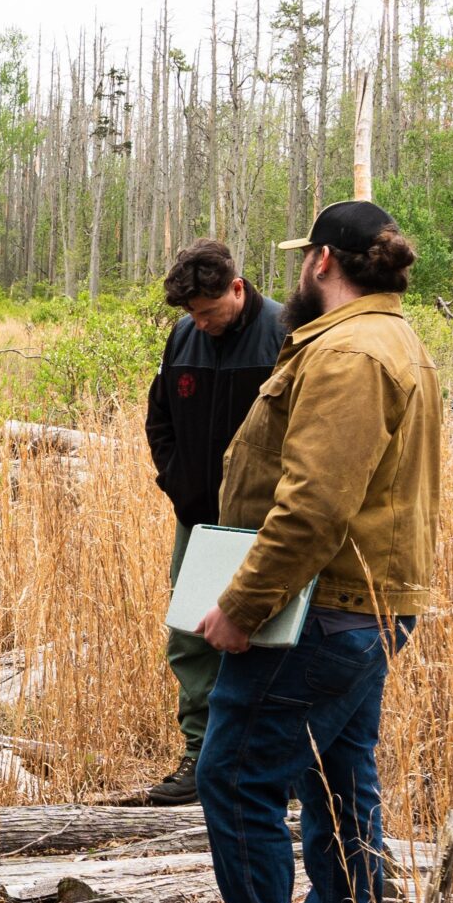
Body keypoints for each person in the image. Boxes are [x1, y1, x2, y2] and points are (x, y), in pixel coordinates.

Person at [182, 202, 438, 903]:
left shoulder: (350, 353)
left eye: (304, 260)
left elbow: (316, 506)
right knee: (338, 788)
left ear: (323, 259)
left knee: (236, 777)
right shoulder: (392, 339)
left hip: (322, 612)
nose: (299, 272)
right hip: (365, 605)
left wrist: (242, 604)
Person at [140, 240, 286, 804]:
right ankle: (200, 759)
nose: (200, 324)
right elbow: (160, 419)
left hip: (265, 524)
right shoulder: (184, 338)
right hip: (198, 519)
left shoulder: (282, 333)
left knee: (269, 639)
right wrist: (179, 481)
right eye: (192, 315)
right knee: (190, 635)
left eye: (208, 311)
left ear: (238, 289)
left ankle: (269, 768)